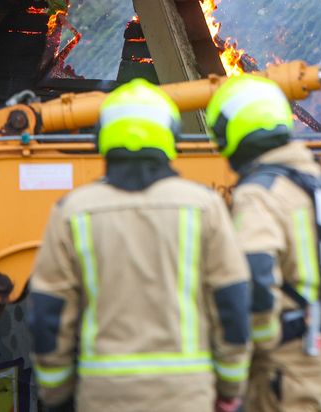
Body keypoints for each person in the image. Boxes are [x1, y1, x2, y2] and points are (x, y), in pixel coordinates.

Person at [28, 78, 251, 412]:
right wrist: (229, 387)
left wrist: (57, 394)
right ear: (171, 136)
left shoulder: (73, 212)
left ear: (101, 137)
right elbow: (232, 304)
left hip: (104, 398)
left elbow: (48, 315)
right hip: (187, 397)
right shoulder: (204, 207)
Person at [206, 74, 321, 412]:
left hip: (283, 371)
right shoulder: (319, 182)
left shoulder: (259, 194)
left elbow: (254, 278)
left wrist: (254, 347)